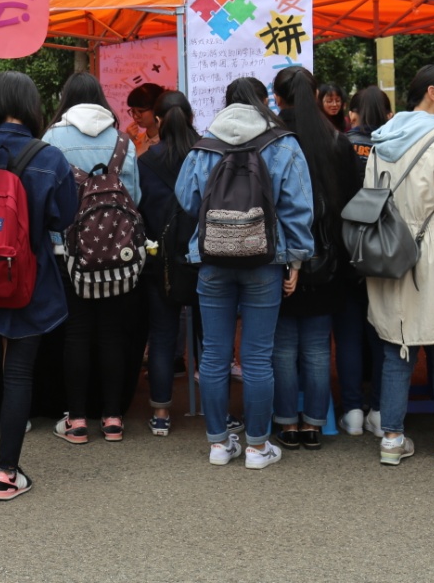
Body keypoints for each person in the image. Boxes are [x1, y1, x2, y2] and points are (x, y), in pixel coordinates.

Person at [174, 77, 314, 470]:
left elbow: (186, 198)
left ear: (227, 102)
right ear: (263, 101)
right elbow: (299, 207)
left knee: (215, 355)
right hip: (265, 261)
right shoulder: (282, 144)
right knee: (257, 357)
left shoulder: (205, 145)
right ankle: (257, 447)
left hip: (212, 259)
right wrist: (296, 260)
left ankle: (219, 444)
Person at [0, 72, 77, 500]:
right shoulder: (50, 157)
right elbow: (64, 218)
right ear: (31, 107)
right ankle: (7, 474)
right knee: (19, 373)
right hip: (30, 280)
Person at [367, 65, 434, 466]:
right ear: (433, 91)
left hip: (388, 251)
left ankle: (392, 440)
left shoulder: (381, 139)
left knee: (398, 346)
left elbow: (370, 199)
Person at [41, 72, 141, 444]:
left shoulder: (52, 139)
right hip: (118, 253)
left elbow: (47, 197)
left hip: (68, 252)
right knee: (112, 333)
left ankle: (78, 420)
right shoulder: (123, 141)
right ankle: (113, 419)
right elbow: (135, 198)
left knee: (77, 333)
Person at [271, 67, 361, 450]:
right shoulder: (337, 141)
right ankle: (313, 425)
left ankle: (286, 423)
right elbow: (353, 198)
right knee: (318, 347)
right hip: (329, 258)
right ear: (315, 95)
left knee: (283, 347)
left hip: (280, 257)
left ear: (278, 98)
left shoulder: (272, 138)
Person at [137, 90, 199, 436]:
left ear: (158, 121)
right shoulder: (207, 154)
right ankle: (216, 413)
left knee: (162, 334)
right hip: (205, 256)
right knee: (212, 337)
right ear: (190, 117)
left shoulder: (146, 162)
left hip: (159, 259)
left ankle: (161, 412)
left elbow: (140, 210)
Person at [336, 85, 391, 436]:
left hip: (346, 249)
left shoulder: (340, 145)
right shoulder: (394, 146)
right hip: (384, 250)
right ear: (388, 114)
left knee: (348, 335)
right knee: (382, 333)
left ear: (352, 114)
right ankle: (381, 412)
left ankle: (353, 410)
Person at [125, 82, 165, 155]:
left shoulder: (169, 142)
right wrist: (127, 142)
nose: (135, 116)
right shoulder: (135, 141)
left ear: (156, 108)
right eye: (133, 111)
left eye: (140, 111)